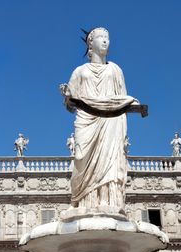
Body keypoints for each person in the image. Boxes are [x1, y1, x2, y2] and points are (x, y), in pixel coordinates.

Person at [60, 27, 139, 213]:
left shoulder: (115, 70)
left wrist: (129, 102)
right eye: (101, 37)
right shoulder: (80, 72)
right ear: (90, 43)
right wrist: (67, 96)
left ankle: (107, 200)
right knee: (81, 159)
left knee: (110, 160)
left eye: (107, 38)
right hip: (87, 121)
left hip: (110, 121)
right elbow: (70, 104)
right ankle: (83, 201)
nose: (105, 41)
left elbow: (122, 97)